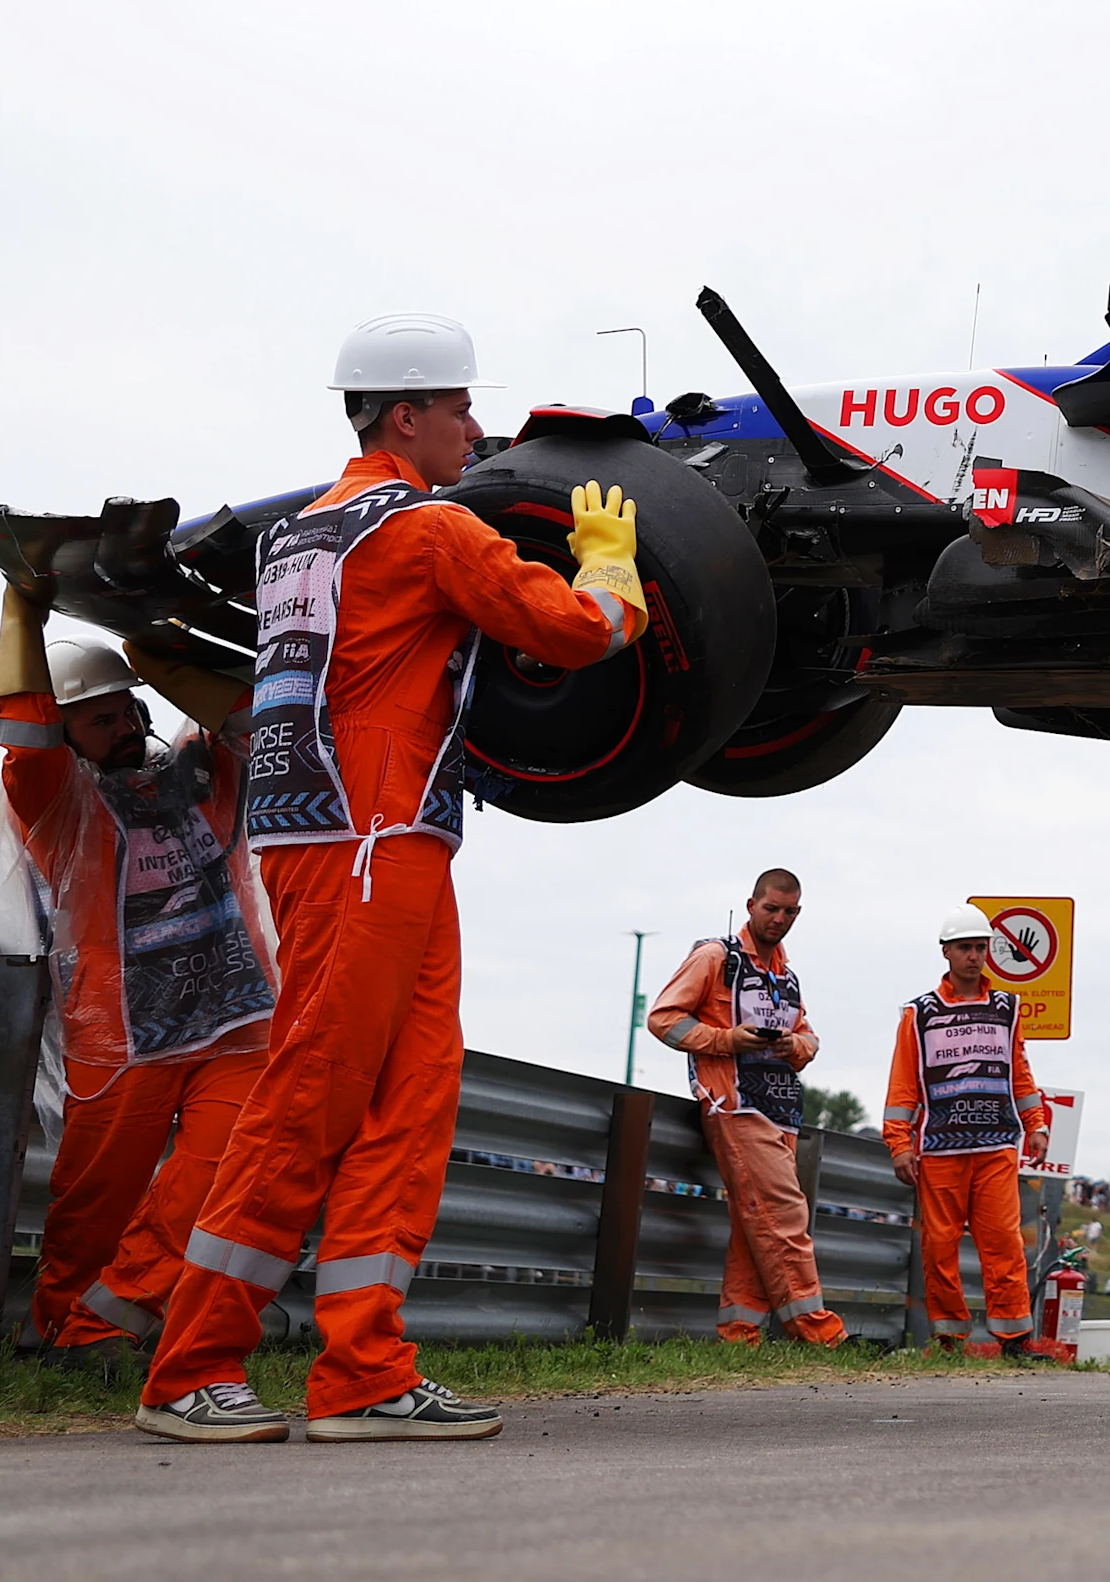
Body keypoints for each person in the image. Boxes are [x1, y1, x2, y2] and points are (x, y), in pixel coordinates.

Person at [140, 314, 651, 1446]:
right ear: (405, 414)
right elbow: (571, 630)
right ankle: (188, 1364)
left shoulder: (297, 537)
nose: (479, 426)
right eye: (462, 407)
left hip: (369, 833)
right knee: (312, 1092)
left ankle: (364, 1367)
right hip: (366, 837)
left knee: (412, 1096)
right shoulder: (427, 526)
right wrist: (610, 568)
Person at [0, 586, 274, 1370]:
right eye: (97, 716)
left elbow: (250, 716)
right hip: (122, 1032)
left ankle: (111, 1322)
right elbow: (25, 739)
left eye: (126, 709)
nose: (119, 726)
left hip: (235, 1017)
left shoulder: (194, 772)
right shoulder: (52, 797)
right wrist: (23, 616)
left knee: (224, 1171)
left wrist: (162, 644)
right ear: (65, 727)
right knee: (94, 1201)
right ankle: (56, 1326)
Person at [651, 869, 846, 1347]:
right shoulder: (716, 956)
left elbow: (809, 1035)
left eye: (790, 912)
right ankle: (818, 1332)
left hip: (781, 1108)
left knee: (753, 1223)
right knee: (784, 1213)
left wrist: (794, 1046)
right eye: (771, 909)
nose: (780, 919)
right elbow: (663, 1018)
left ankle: (740, 1332)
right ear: (751, 905)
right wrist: (725, 1040)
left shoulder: (785, 974)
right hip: (734, 1105)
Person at [882, 905, 1051, 1356]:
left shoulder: (1007, 1009)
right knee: (939, 1248)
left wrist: (1036, 1123)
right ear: (946, 952)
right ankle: (948, 1337)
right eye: (965, 948)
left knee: (1004, 1244)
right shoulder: (918, 1015)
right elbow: (903, 1084)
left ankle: (1015, 1339)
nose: (974, 956)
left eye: (980, 947)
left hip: (996, 1145)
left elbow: (1019, 1072)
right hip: (939, 1150)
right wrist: (899, 1143)